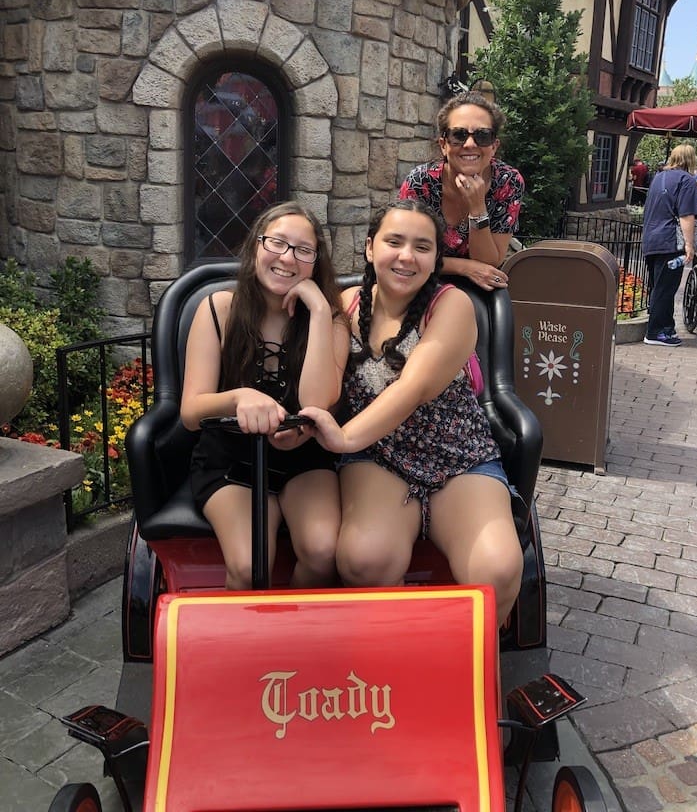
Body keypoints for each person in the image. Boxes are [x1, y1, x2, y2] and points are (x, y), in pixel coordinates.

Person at [299, 199, 524, 627]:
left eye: (422, 247)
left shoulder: (452, 305)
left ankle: (463, 673)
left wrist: (344, 437)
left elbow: (414, 387)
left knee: (496, 570)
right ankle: (393, 662)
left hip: (458, 455)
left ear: (436, 258)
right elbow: (322, 393)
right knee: (365, 560)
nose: (406, 256)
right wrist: (317, 311)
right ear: (369, 248)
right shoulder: (346, 306)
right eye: (394, 242)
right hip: (378, 454)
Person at [180, 201, 350, 589]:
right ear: (255, 246)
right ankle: (244, 641)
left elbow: (318, 400)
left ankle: (292, 637)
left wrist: (321, 312)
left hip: (303, 460)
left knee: (323, 551)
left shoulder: (332, 321)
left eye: (303, 250)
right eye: (277, 243)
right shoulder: (219, 309)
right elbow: (191, 412)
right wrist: (239, 397)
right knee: (249, 566)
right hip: (231, 459)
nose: (287, 259)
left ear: (315, 262)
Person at [398, 91, 524, 291]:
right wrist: (463, 267)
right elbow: (404, 254)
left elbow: (489, 262)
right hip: (420, 284)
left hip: (478, 291)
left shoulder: (507, 182)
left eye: (482, 136)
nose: (470, 144)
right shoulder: (420, 183)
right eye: (459, 135)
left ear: (493, 146)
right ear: (443, 145)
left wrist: (477, 208)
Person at [641, 144, 697, 346]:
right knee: (666, 288)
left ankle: (666, 328)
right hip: (670, 242)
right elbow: (686, 215)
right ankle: (655, 332)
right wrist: (689, 244)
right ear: (690, 159)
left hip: (651, 239)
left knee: (658, 286)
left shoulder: (658, 177)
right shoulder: (687, 180)